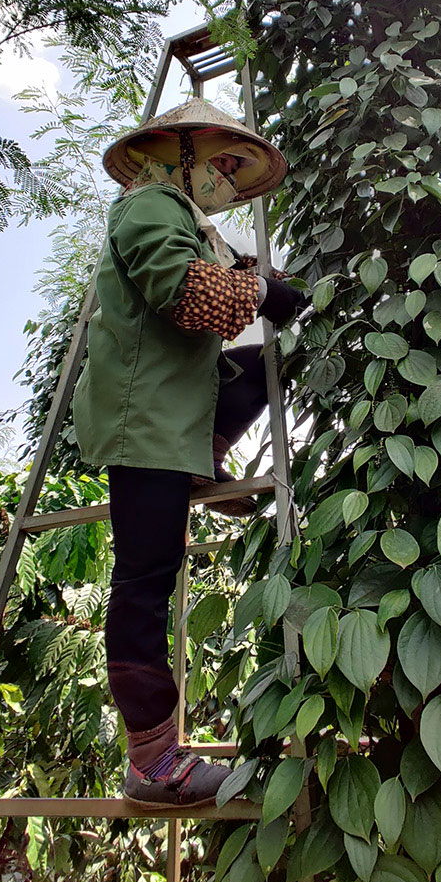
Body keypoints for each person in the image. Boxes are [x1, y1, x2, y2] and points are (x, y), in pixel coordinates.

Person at [71, 97, 308, 808]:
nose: (230, 180)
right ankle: (151, 761)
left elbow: (238, 275)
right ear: (178, 152)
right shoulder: (147, 208)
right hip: (145, 419)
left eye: (239, 171)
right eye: (223, 163)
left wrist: (287, 290)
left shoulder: (196, 227)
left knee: (269, 361)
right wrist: (262, 289)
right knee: (146, 577)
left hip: (181, 411)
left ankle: (210, 448)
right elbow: (188, 295)